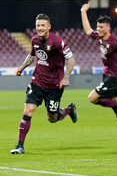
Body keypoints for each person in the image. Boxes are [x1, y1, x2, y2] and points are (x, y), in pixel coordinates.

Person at [10, 13, 78, 154]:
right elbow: (32, 55)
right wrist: (21, 68)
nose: (39, 28)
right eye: (37, 26)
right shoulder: (34, 40)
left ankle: (69, 110)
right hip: (37, 82)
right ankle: (19, 145)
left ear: (49, 26)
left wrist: (66, 77)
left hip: (54, 86)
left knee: (52, 118)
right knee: (28, 110)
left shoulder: (57, 42)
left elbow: (71, 59)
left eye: (42, 25)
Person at [80, 2, 117, 137]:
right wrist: (83, 12)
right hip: (107, 75)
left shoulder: (114, 42)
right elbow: (87, 30)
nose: (98, 29)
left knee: (92, 98)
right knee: (113, 103)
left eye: (101, 27)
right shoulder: (99, 37)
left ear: (108, 28)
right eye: (98, 26)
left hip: (114, 75)